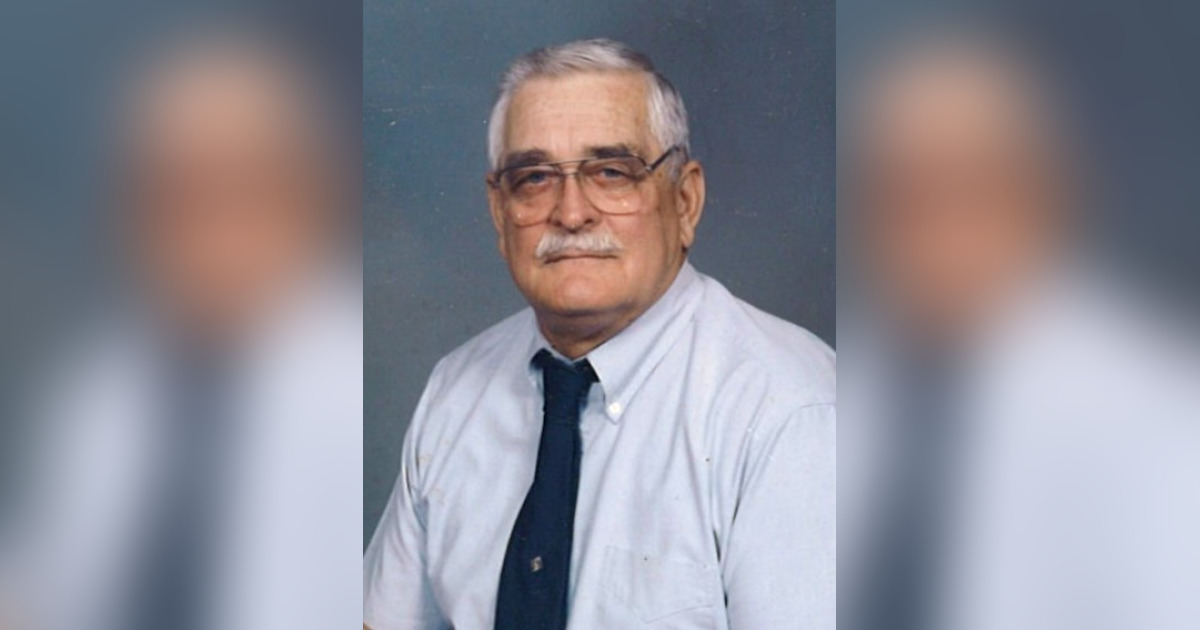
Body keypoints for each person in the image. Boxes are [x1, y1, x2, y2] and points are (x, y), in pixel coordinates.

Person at [363, 39, 835, 630]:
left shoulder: (787, 410)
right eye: (534, 178)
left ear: (685, 201)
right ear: (499, 212)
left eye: (612, 173)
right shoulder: (456, 390)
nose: (571, 213)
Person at [1, 30, 362, 630]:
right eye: (164, 193)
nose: (195, 231)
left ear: (306, 200)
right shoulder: (105, 382)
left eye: (232, 189)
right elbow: (42, 580)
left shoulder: (348, 390)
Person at [841, 31, 1200, 630]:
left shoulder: (1158, 409)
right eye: (900, 195)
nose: (933, 232)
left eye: (968, 190)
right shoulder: (846, 379)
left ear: (1045, 199)